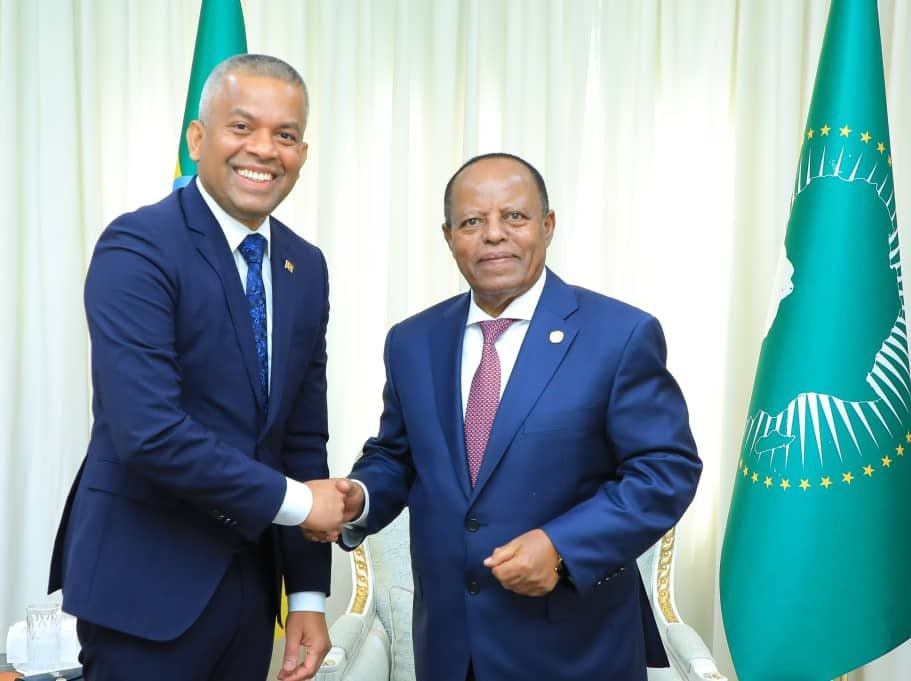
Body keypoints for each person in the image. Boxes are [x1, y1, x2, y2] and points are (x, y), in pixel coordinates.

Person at [339, 153, 702, 681]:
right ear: (448, 237)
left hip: (576, 652)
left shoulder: (620, 334)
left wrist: (561, 547)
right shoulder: (412, 341)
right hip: (450, 651)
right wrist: (360, 496)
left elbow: (665, 471)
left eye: (514, 216)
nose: (493, 235)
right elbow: (397, 455)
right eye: (472, 221)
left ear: (547, 226)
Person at [48, 54, 346, 681]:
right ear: (197, 137)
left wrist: (307, 596)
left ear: (302, 153)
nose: (263, 149)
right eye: (242, 126)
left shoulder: (305, 266)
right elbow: (149, 431)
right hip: (144, 589)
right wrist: (299, 504)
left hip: (251, 592)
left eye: (285, 135)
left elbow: (300, 435)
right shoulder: (138, 246)